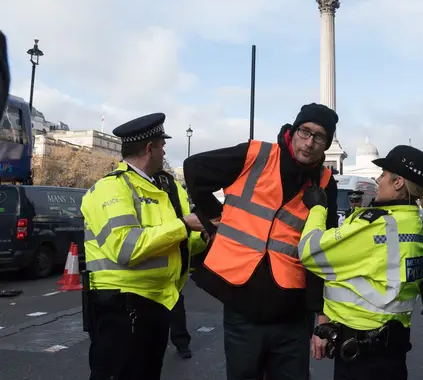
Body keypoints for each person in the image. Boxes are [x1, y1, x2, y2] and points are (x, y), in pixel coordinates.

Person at [184, 103, 339, 380]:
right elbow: (194, 167)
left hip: (292, 312)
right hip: (243, 303)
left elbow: (322, 252)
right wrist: (215, 216)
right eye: (305, 131)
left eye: (320, 137)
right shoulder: (257, 155)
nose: (310, 142)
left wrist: (322, 315)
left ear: (327, 144)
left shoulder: (326, 182)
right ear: (293, 130)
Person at [81, 113, 209, 380]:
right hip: (121, 310)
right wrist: (184, 225)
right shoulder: (111, 189)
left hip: (157, 304)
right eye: (162, 146)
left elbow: (176, 244)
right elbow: (126, 248)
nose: (164, 152)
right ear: (150, 148)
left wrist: (207, 235)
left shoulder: (164, 189)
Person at [299, 145, 423, 380]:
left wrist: (317, 208)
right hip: (391, 348)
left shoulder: (377, 225)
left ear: (398, 183)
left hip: (362, 353)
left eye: (384, 174)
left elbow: (310, 252)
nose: (378, 179)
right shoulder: (412, 224)